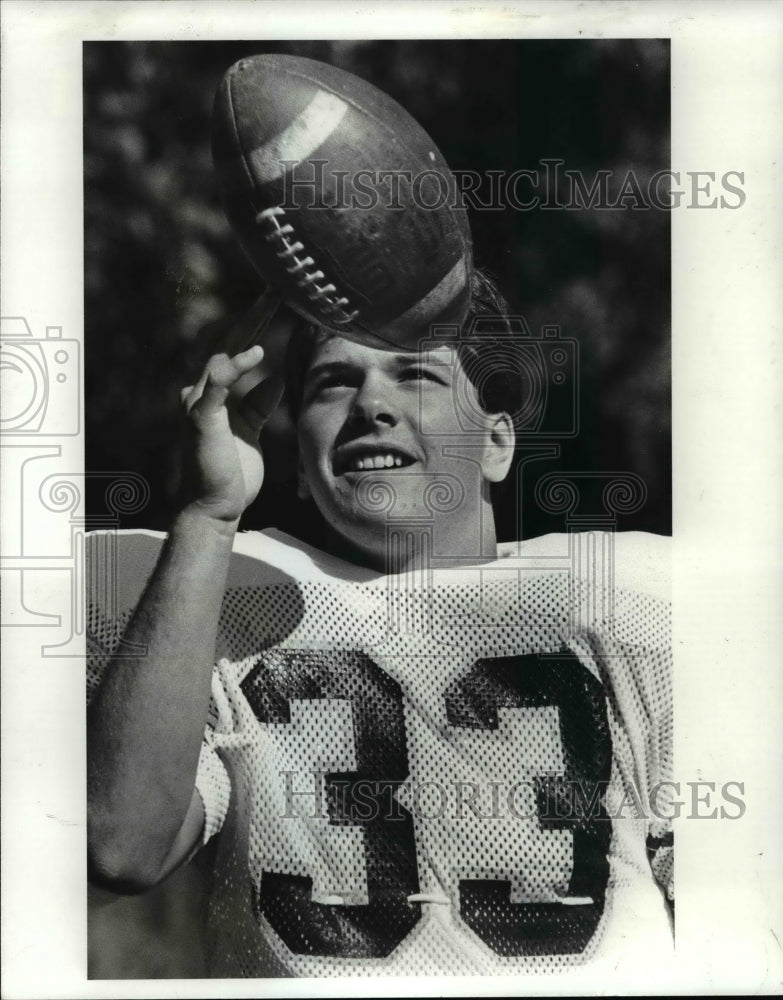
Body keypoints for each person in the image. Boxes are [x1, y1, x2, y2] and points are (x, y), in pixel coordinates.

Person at [86, 266, 673, 979]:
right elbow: (123, 847)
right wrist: (208, 518)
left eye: (415, 376)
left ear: (496, 441)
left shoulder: (629, 598)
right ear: (300, 463)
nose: (371, 404)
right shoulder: (226, 596)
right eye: (333, 382)